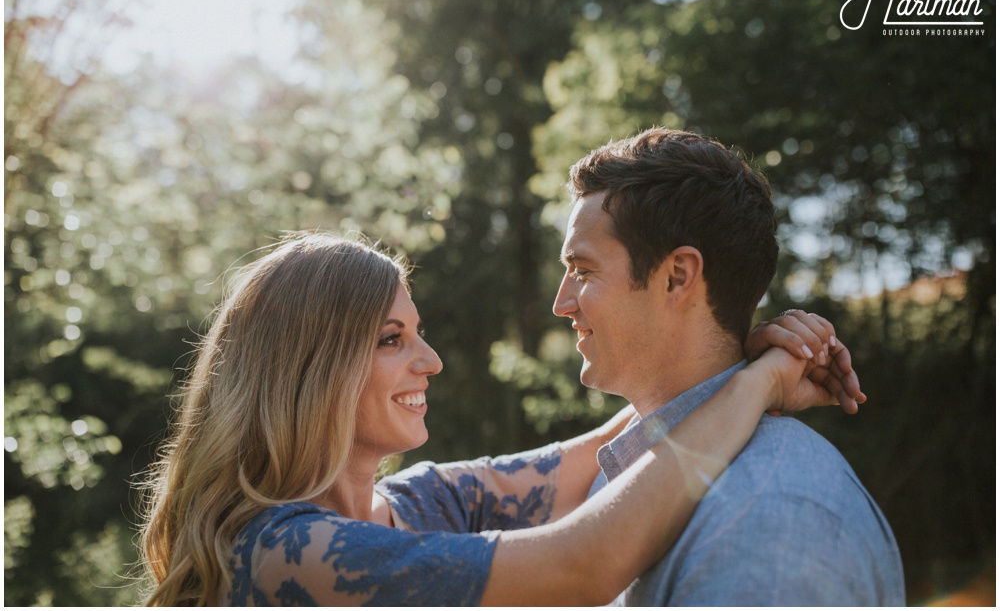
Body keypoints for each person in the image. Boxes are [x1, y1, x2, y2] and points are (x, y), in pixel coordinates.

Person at [138, 233, 862, 606]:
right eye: (392, 339)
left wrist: (740, 359)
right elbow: (587, 564)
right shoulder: (281, 553)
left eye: (416, 332)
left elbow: (616, 444)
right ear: (309, 367)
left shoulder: (421, 503)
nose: (431, 360)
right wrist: (761, 383)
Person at [556, 127, 906, 605]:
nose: (562, 303)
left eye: (583, 270)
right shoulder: (626, 467)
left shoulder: (772, 522)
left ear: (677, 277)